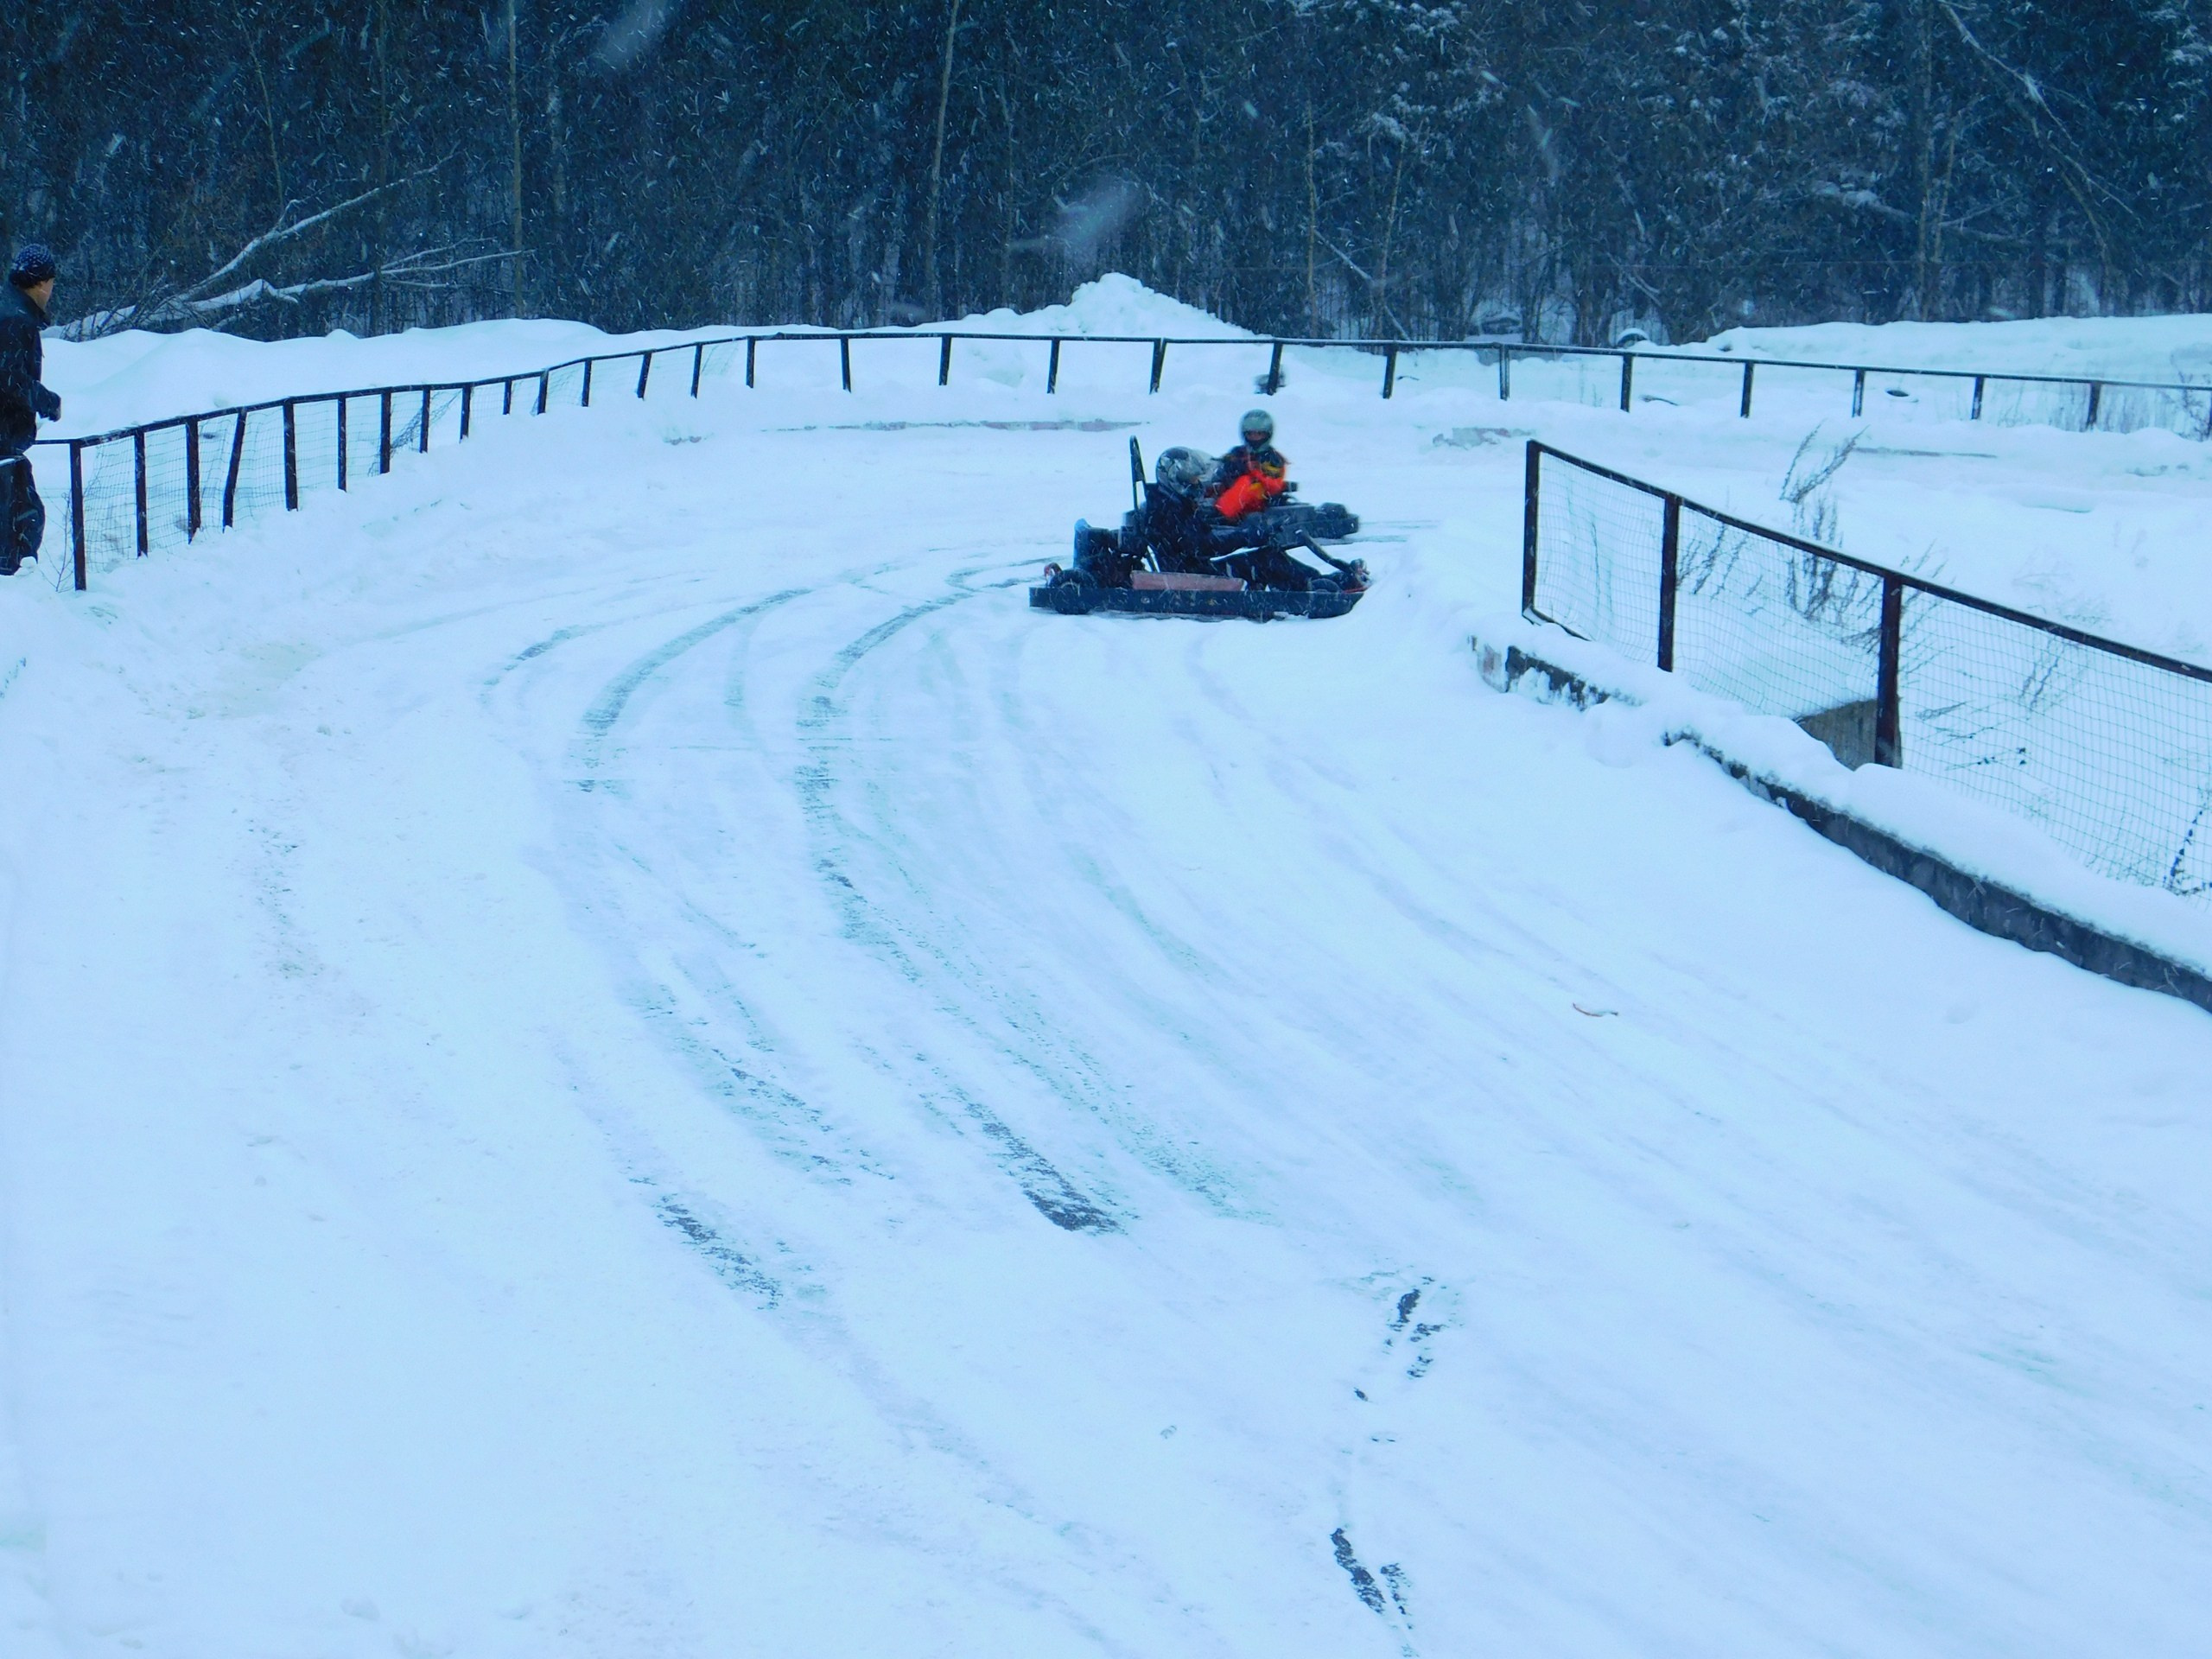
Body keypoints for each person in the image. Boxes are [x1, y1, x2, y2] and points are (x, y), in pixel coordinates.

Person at [1, 245, 63, 576]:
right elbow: (8, 377)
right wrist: (46, 401)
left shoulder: (9, 309)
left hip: (7, 442)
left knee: (24, 515)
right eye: (51, 283)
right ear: (41, 284)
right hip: (2, 443)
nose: (51, 292)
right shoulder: (13, 319)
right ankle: (13, 589)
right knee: (21, 520)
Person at [1209, 408, 1287, 521]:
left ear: (1267, 434)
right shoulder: (1237, 452)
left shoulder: (1274, 458)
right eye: (1250, 434)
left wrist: (1252, 470)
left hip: (1261, 501)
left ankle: (1220, 514)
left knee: (1247, 482)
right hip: (1232, 495)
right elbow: (1221, 465)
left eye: (1259, 434)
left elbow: (1274, 484)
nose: (1254, 438)